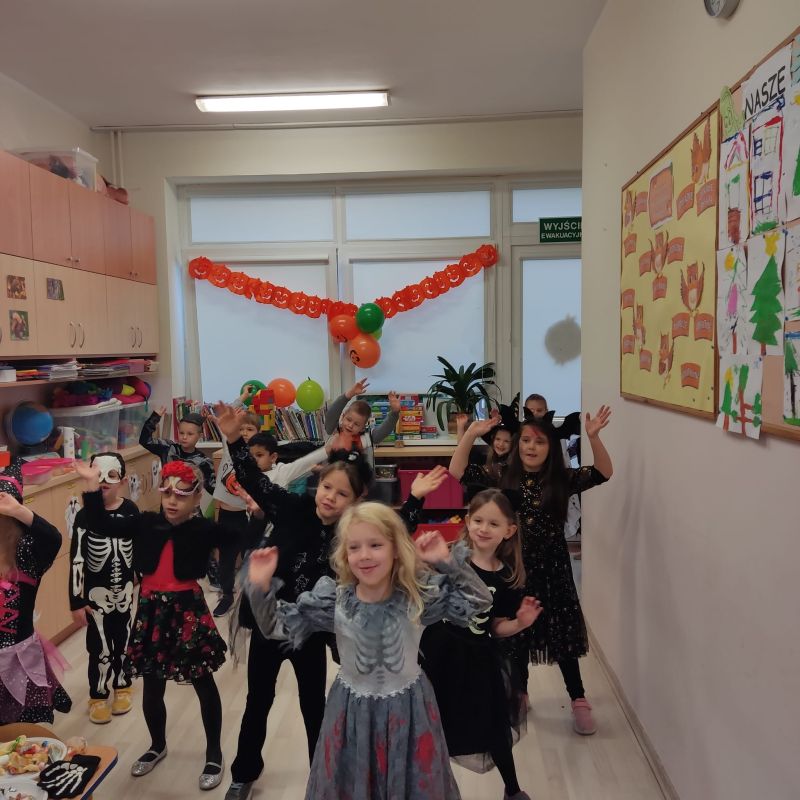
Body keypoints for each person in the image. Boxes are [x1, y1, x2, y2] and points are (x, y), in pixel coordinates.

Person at [212, 401, 446, 800]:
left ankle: (325, 774)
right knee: (258, 699)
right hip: (272, 619)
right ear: (317, 483)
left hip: (313, 626)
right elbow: (253, 480)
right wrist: (234, 437)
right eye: (326, 488)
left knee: (313, 704)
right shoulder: (291, 507)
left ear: (356, 499)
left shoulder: (354, 531)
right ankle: (244, 771)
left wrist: (416, 498)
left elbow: (395, 532)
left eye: (341, 494)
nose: (330, 497)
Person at [244, 502, 493, 800]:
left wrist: (447, 562)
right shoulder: (334, 602)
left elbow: (480, 601)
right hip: (351, 713)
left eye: (375, 545)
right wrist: (259, 586)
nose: (364, 555)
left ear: (396, 549)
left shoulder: (417, 598)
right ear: (344, 555)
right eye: (354, 547)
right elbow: (275, 627)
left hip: (410, 712)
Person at [449, 405, 613, 735]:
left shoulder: (561, 479)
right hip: (516, 571)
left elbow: (603, 473)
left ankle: (578, 698)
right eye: (525, 440)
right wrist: (470, 434)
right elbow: (457, 471)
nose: (531, 447)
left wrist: (594, 438)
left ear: (550, 447)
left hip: (554, 571)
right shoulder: (502, 476)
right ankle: (521, 692)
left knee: (561, 636)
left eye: (539, 442)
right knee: (518, 635)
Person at [76, 459, 229, 791]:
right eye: (167, 493)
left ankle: (214, 752)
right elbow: (99, 523)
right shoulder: (145, 523)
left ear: (197, 497)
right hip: (151, 610)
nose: (172, 501)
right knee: (152, 682)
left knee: (203, 681)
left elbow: (240, 539)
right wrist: (91, 487)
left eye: (181, 495)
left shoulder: (204, 529)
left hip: (187, 611)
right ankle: (157, 745)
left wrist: (256, 514)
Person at [420, 488, 541, 800]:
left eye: (493, 523)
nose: (483, 528)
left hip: (478, 660)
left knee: (493, 723)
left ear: (508, 531)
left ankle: (513, 789)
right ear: (467, 521)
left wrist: (520, 623)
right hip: (440, 654)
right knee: (432, 721)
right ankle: (429, 786)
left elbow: (496, 626)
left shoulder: (508, 576)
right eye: (478, 520)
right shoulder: (448, 559)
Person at [68, 451, 139, 724]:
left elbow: (139, 550)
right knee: (98, 647)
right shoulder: (84, 517)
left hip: (125, 592)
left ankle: (122, 685)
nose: (104, 481)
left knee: (123, 641)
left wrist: (142, 582)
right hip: (95, 596)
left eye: (111, 475)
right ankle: (97, 694)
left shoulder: (130, 511)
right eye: (98, 475)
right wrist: (76, 601)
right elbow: (77, 560)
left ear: (122, 481)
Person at [0, 458, 71, 724]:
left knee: (23, 727)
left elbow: (52, 538)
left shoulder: (26, 552)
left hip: (20, 658)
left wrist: (19, 511)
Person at [212, 409, 261, 618]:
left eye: (250, 429)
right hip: (228, 515)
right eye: (241, 429)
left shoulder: (258, 457)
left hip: (249, 516)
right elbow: (226, 424)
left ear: (258, 432)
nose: (245, 432)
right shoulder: (229, 448)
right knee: (226, 561)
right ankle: (227, 595)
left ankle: (252, 599)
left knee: (252, 559)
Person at [323, 379, 401, 468]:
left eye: (356, 424)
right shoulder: (333, 431)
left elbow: (385, 429)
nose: (350, 425)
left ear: (363, 427)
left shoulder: (367, 438)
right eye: (348, 419)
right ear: (343, 416)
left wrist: (395, 412)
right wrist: (347, 395)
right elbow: (331, 415)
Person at [140, 406, 215, 494]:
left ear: (200, 436)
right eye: (181, 433)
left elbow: (214, 490)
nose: (184, 437)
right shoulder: (168, 448)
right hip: (167, 498)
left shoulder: (203, 462)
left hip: (189, 501)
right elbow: (145, 441)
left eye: (190, 434)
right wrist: (154, 419)